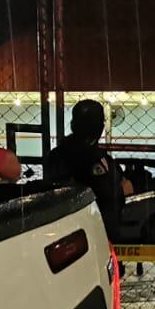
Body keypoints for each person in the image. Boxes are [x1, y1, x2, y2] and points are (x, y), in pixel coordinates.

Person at [43, 98, 129, 233]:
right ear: (100, 126)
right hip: (93, 227)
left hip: (71, 227)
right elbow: (103, 193)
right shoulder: (90, 156)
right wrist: (122, 191)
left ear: (73, 124)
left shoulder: (58, 154)